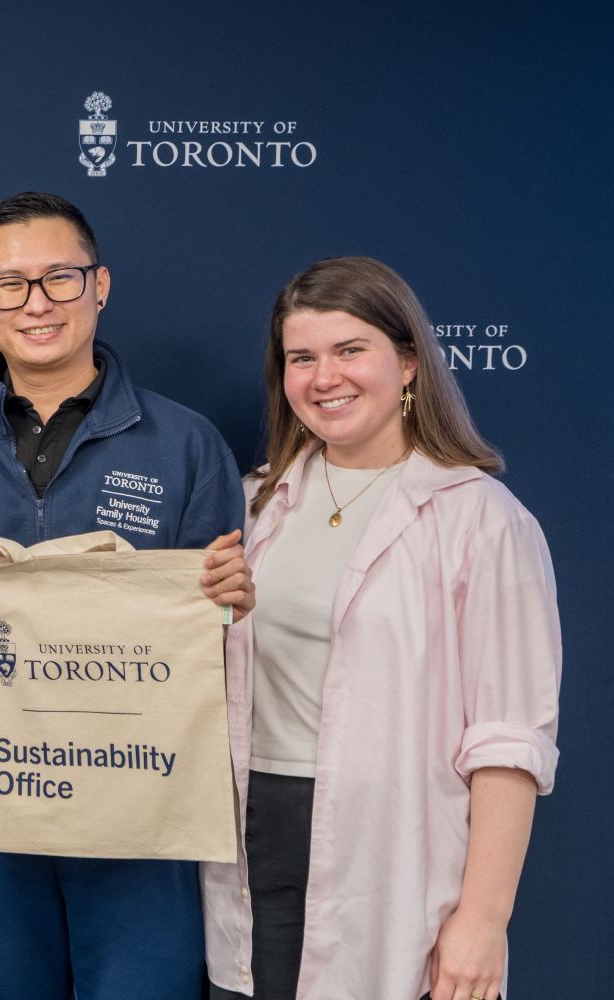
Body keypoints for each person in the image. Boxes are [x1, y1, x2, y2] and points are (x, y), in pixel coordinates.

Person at [0, 191, 254, 1000]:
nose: (38, 303)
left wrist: (231, 600)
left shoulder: (186, 443)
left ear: (101, 286)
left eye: (60, 278)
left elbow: (216, 628)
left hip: (143, 802)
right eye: (11, 285)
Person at [202, 257, 561, 1000]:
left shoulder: (482, 520)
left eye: (349, 351)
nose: (324, 377)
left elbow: (509, 741)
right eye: (301, 358)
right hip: (251, 835)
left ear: (407, 365)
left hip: (393, 857)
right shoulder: (252, 507)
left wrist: (483, 919)